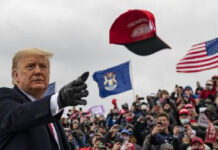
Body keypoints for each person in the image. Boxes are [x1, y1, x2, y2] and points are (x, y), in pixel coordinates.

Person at [0, 48, 89, 150]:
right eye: (30, 66)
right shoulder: (4, 97)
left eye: (43, 67)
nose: (38, 71)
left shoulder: (52, 114)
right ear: (16, 76)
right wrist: (59, 100)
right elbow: (18, 116)